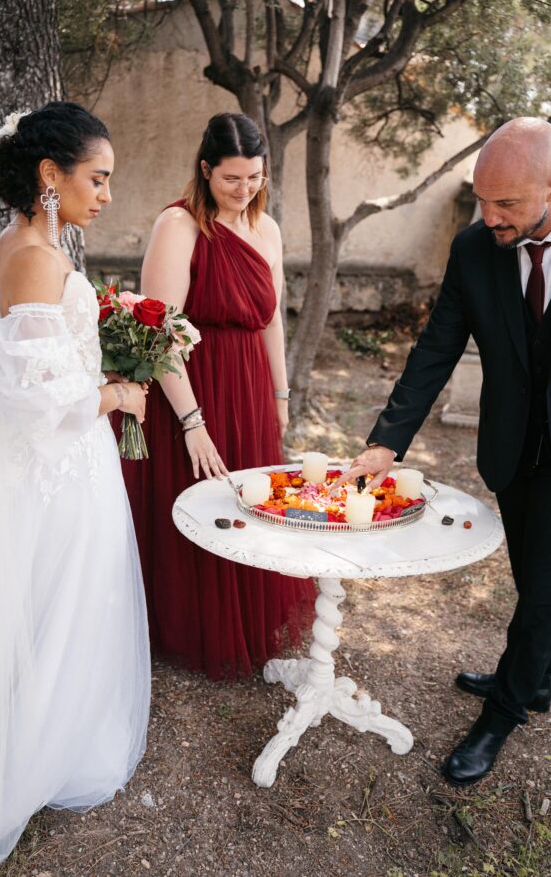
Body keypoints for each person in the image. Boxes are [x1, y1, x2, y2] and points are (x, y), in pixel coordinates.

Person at [0, 102, 151, 877]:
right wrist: (113, 397)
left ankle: (50, 735)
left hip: (69, 463)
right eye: (96, 179)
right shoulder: (32, 255)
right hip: (55, 471)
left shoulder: (34, 243)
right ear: (49, 175)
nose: (104, 195)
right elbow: (33, 401)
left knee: (64, 608)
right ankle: (23, 762)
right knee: (57, 608)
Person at [333, 117, 551, 787]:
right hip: (514, 449)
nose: (490, 217)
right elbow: (435, 350)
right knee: (533, 582)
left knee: (545, 590)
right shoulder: (473, 249)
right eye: (483, 200)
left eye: (507, 204)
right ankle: (538, 675)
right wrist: (386, 443)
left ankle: (505, 709)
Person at [120, 113, 316, 680]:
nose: (243, 189)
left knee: (248, 503)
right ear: (205, 171)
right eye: (231, 178)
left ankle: (246, 627)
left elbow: (272, 320)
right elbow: (161, 331)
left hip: (250, 384)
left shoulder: (270, 230)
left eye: (254, 178)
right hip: (192, 385)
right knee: (194, 501)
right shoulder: (178, 227)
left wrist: (279, 394)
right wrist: (192, 421)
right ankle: (185, 628)